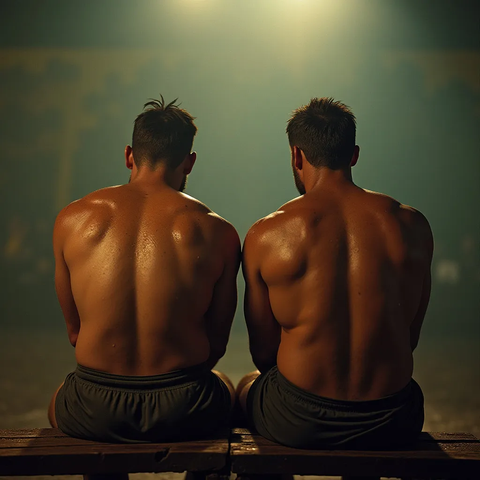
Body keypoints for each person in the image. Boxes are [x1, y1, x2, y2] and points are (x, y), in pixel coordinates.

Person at [237, 97, 433, 450]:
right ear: (353, 154)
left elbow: (264, 354)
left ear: (297, 156)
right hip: (393, 417)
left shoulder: (266, 235)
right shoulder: (412, 225)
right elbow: (409, 338)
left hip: (300, 419)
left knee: (245, 387)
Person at [49, 96, 240, 444]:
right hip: (183, 405)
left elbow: (75, 333)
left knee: (59, 398)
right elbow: (217, 343)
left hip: (95, 405)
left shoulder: (72, 220)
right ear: (190, 162)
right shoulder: (218, 231)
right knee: (228, 386)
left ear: (129, 155)